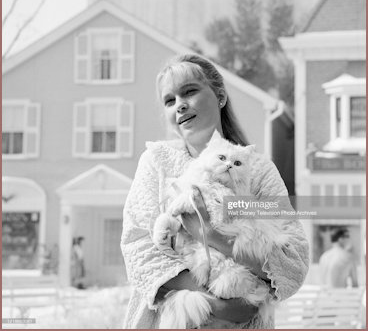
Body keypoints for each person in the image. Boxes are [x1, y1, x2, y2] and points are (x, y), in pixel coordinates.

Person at [120, 54, 309, 328]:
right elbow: (137, 246)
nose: (180, 106)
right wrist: (216, 304)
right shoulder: (155, 162)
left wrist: (209, 234)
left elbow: (293, 261)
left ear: (220, 96)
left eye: (189, 91)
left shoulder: (257, 170)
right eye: (169, 101)